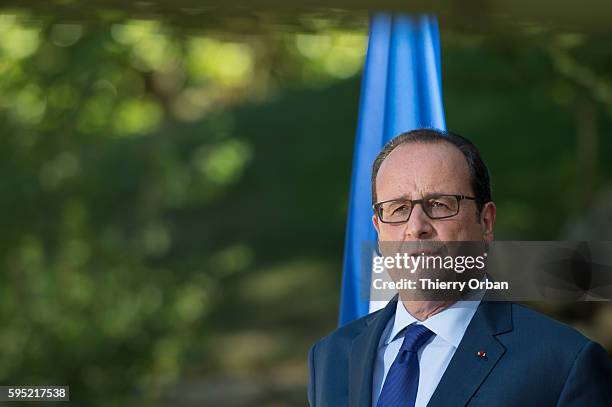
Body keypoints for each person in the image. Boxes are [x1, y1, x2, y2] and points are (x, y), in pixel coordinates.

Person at [307, 128, 612, 406]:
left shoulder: (564, 363)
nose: (416, 227)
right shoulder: (330, 356)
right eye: (398, 209)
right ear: (378, 228)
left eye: (439, 204)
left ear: (486, 222)